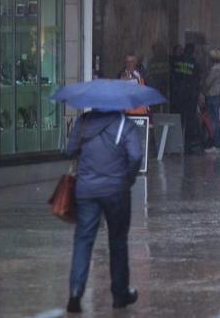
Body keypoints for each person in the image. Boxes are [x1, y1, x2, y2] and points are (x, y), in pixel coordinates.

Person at [65, 110, 144, 313]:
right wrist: (128, 178)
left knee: (83, 240)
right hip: (117, 191)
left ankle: (75, 292)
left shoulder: (83, 122)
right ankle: (120, 295)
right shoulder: (124, 124)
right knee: (117, 242)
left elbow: (69, 149)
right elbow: (136, 156)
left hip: (86, 190)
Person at [172, 44, 202, 151]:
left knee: (179, 121)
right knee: (189, 121)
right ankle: (188, 146)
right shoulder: (195, 64)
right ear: (193, 51)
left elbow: (174, 77)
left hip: (179, 96)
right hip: (190, 97)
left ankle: (176, 144)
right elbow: (198, 80)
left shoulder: (177, 62)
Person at [203, 49, 220, 153]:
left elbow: (208, 82)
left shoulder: (215, 69)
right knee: (215, 120)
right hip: (216, 95)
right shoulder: (219, 68)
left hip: (213, 95)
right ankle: (217, 144)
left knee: (214, 120)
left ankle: (216, 145)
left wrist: (203, 87)